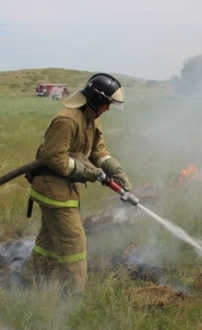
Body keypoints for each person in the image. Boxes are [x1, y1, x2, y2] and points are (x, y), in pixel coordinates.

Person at [21, 73, 131, 291]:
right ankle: (72, 295)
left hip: (65, 188)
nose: (107, 109)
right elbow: (53, 157)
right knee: (74, 242)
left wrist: (116, 171)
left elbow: (98, 151)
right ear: (96, 100)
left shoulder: (92, 119)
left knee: (50, 241)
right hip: (52, 188)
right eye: (106, 104)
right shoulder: (67, 120)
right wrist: (87, 173)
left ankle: (28, 280)